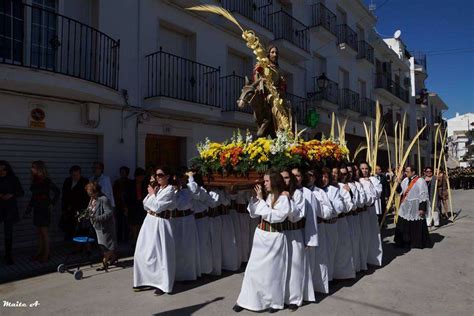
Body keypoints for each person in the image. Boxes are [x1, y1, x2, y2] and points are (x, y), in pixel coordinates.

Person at [233, 171, 294, 313]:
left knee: (272, 272)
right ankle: (245, 300)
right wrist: (256, 199)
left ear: (274, 181)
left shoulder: (283, 198)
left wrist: (261, 201)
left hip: (275, 237)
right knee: (253, 270)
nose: (264, 183)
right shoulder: (267, 197)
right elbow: (253, 213)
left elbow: (275, 217)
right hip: (261, 235)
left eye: (267, 181)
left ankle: (274, 302)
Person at [133, 167, 177, 296]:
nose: (158, 177)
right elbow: (145, 204)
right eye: (156, 175)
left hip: (161, 223)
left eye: (161, 175)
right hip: (149, 222)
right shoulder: (157, 189)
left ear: (167, 176)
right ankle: (144, 280)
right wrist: (152, 195)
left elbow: (157, 207)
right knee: (142, 252)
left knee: (160, 255)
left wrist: (152, 196)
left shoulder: (170, 190)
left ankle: (163, 284)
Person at [280, 169, 315, 310]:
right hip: (280, 234)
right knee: (281, 267)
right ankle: (280, 297)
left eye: (287, 178)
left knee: (295, 266)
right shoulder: (276, 194)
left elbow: (297, 216)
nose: (285, 181)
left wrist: (288, 199)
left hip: (294, 233)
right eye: (282, 178)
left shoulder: (298, 194)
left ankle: (294, 298)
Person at [27, 161, 60, 263]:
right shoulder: (35, 180)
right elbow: (34, 196)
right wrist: (29, 208)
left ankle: (46, 254)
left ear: (39, 168)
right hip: (37, 208)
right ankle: (39, 252)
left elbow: (57, 191)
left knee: (44, 232)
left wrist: (52, 203)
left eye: (33, 167)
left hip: (44, 208)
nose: (31, 169)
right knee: (39, 232)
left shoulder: (46, 180)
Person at [170, 170, 200, 281]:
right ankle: (177, 274)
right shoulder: (171, 192)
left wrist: (191, 177)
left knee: (187, 247)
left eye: (180, 180)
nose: (178, 182)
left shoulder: (188, 190)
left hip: (187, 219)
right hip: (175, 220)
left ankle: (188, 275)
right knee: (176, 247)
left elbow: (194, 190)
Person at [394, 165, 432, 249]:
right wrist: (398, 183)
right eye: (405, 171)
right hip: (406, 206)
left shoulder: (420, 181)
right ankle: (404, 242)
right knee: (404, 224)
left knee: (416, 225)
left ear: (413, 172)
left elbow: (424, 195)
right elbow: (400, 192)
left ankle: (417, 243)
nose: (405, 173)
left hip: (416, 206)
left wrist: (422, 208)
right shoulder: (404, 180)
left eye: (407, 171)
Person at [85, 181, 118, 271]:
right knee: (103, 245)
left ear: (96, 191)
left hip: (105, 227)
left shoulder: (103, 199)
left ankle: (104, 263)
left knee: (106, 246)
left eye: (91, 193)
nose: (90, 195)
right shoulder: (93, 199)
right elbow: (89, 209)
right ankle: (114, 257)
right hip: (97, 227)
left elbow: (109, 212)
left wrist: (97, 218)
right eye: (89, 193)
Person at [359, 162, 383, 267]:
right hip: (361, 212)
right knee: (362, 235)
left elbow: (377, 194)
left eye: (366, 168)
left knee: (373, 234)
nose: (364, 170)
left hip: (371, 210)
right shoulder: (357, 181)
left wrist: (370, 185)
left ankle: (373, 258)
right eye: (362, 169)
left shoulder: (374, 180)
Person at [334, 165, 356, 279]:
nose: (335, 175)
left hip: (341, 219)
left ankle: (343, 274)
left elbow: (349, 205)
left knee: (343, 248)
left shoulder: (343, 187)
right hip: (330, 222)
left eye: (338, 173)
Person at [0, 161, 24, 265]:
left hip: (9, 209)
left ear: (7, 169)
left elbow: (21, 192)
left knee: (8, 233)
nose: (1, 171)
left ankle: (8, 255)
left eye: (3, 169)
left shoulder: (13, 179)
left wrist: (11, 195)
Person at [60, 165, 89, 242]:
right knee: (69, 227)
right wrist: (64, 208)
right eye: (73, 175)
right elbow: (64, 195)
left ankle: (82, 246)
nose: (75, 177)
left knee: (81, 228)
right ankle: (73, 243)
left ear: (80, 174)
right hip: (69, 209)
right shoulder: (68, 181)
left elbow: (87, 197)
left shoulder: (85, 181)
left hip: (80, 208)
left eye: (76, 175)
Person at [126, 168, 147, 245]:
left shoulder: (145, 184)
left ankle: (140, 239)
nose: (142, 178)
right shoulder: (130, 184)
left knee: (141, 223)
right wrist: (126, 207)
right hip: (132, 206)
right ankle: (134, 240)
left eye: (143, 176)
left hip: (142, 206)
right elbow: (126, 196)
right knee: (133, 224)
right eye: (140, 176)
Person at [113, 166, 131, 243]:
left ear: (127, 173)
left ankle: (126, 239)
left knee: (127, 223)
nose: (122, 174)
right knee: (119, 223)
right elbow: (114, 193)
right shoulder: (117, 182)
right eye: (121, 172)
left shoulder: (130, 182)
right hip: (118, 205)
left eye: (123, 172)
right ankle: (119, 238)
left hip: (127, 205)